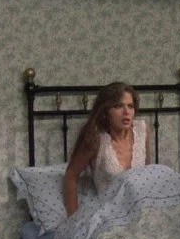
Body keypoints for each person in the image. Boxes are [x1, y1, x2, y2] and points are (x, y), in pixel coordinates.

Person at [63, 82, 152, 216]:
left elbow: (149, 174)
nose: (126, 112)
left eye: (130, 106)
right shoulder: (95, 138)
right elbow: (71, 175)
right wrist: (74, 219)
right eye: (118, 106)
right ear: (105, 112)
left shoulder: (141, 130)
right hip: (110, 215)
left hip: (142, 210)